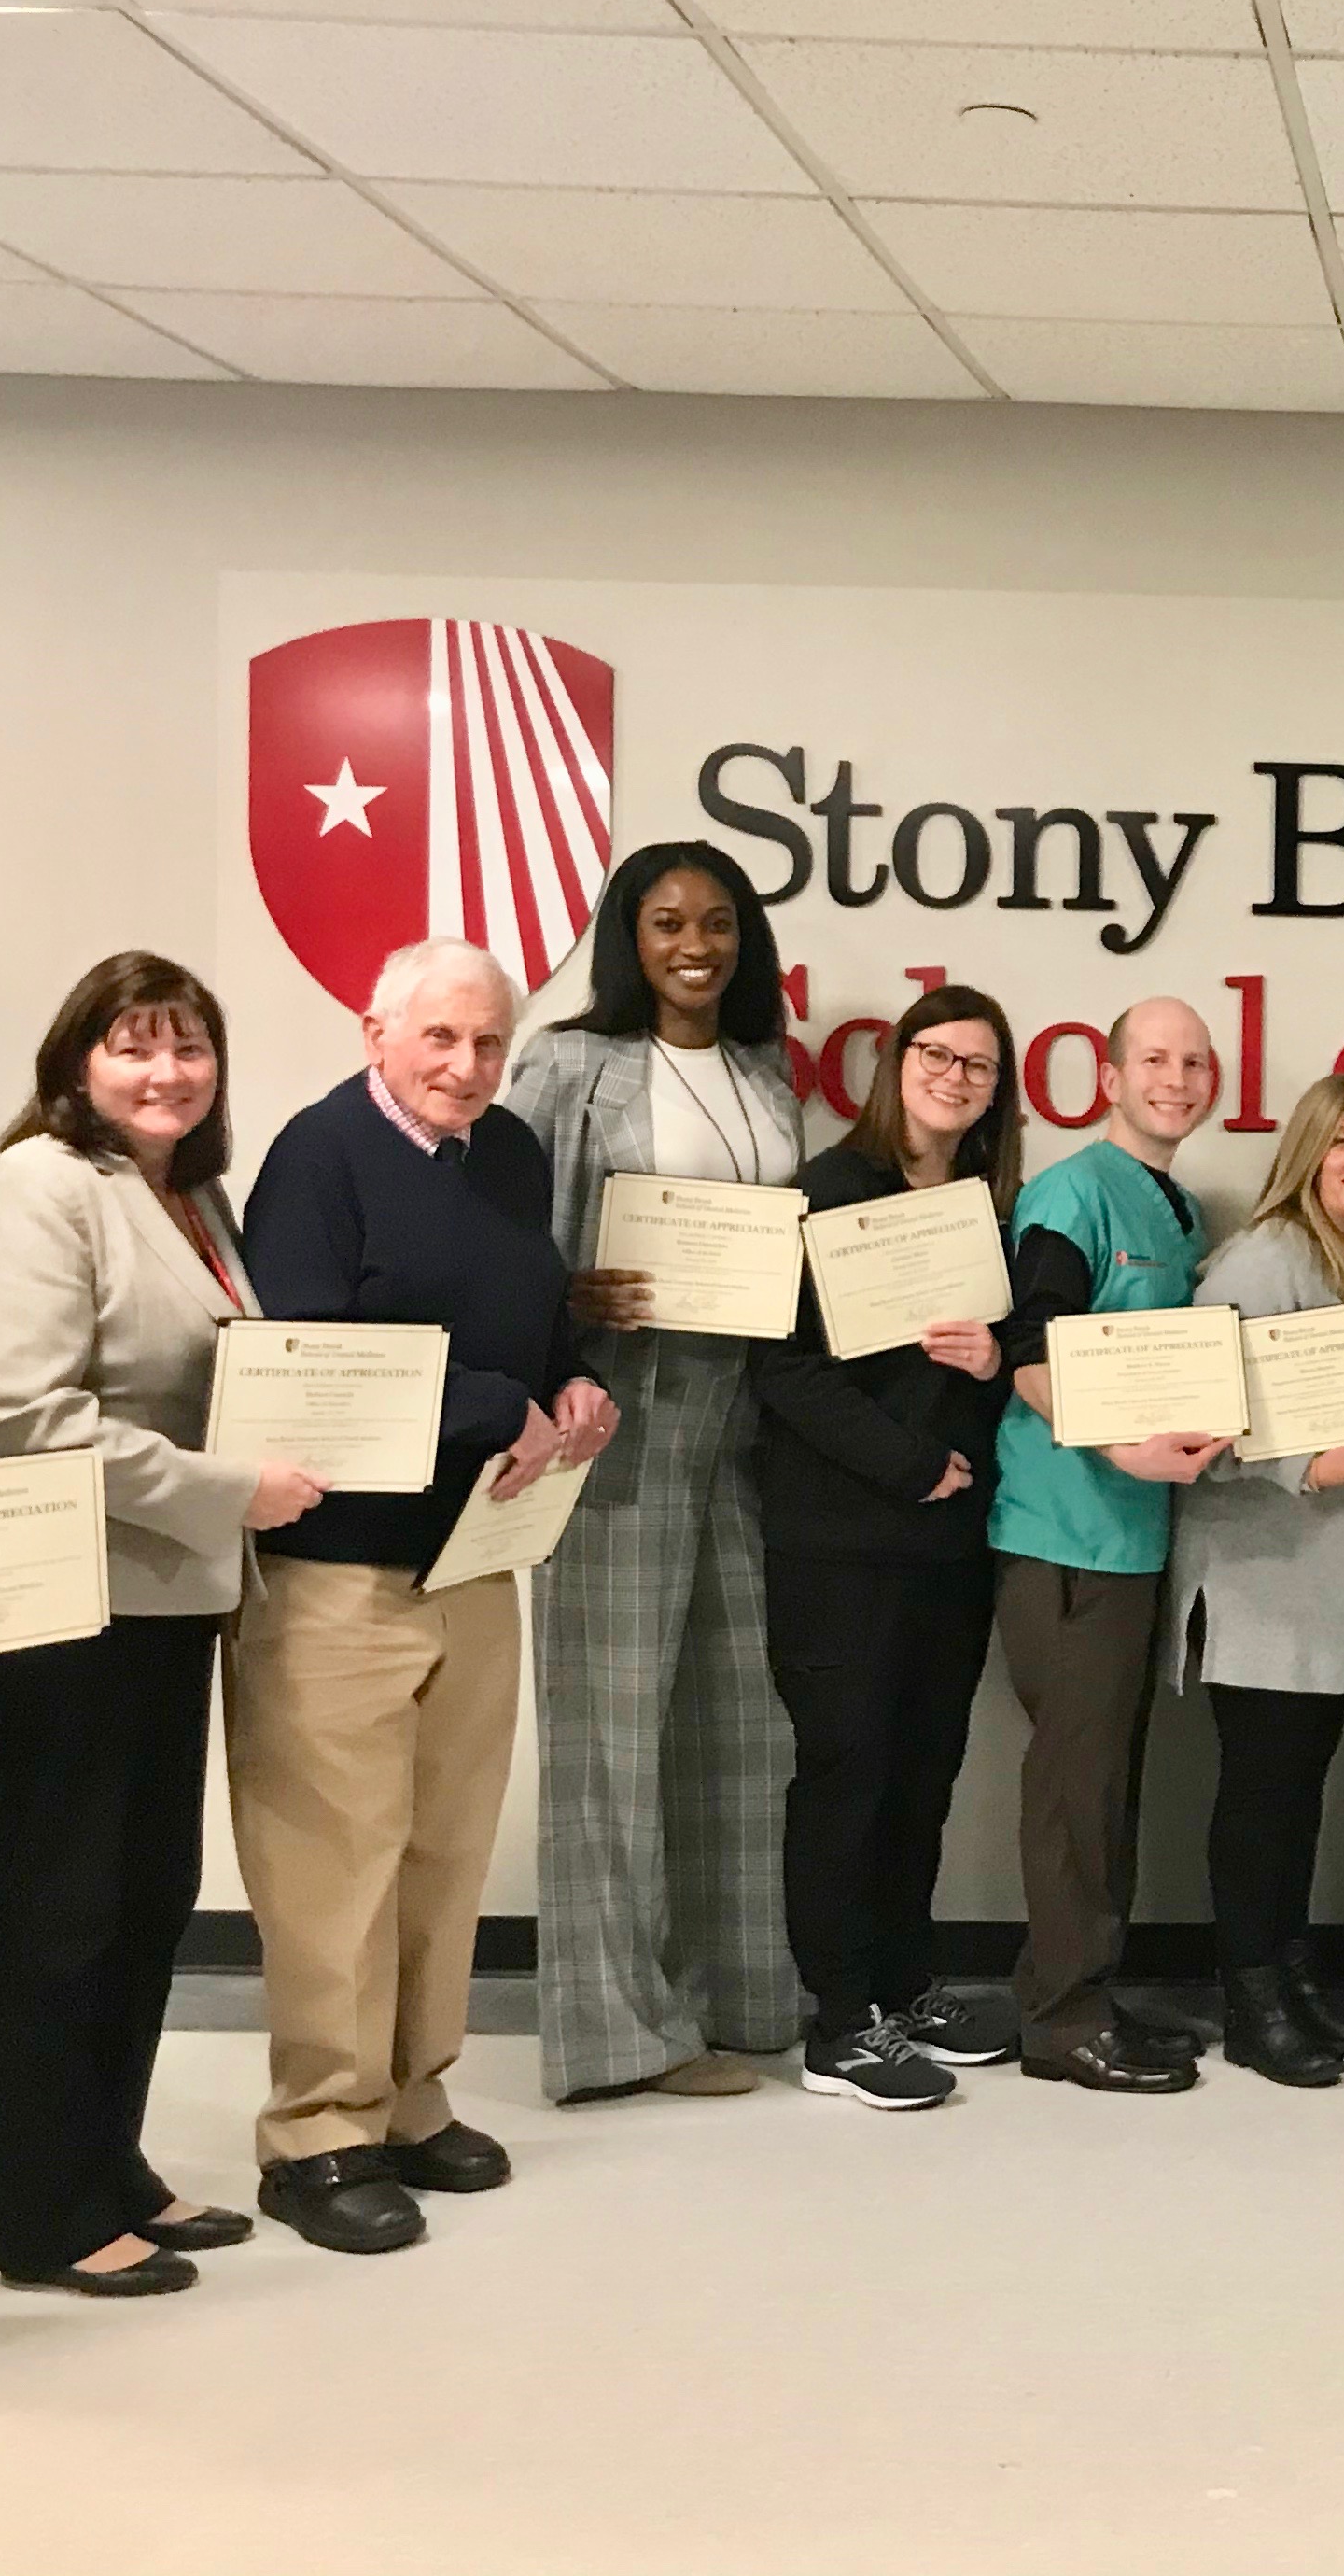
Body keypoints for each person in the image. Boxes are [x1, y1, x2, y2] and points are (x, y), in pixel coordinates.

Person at [235, 937, 618, 2255]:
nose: (465, 1067)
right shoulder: (316, 1157)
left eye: (489, 1044)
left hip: (473, 1554)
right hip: (337, 1570)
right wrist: (498, 1404)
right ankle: (316, 2135)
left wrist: (569, 1384)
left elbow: (530, 1318)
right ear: (373, 1031)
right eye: (438, 1039)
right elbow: (305, 1369)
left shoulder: (507, 1154)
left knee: (444, 1852)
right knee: (332, 1862)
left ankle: (411, 2098)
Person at [0, 955, 325, 2295]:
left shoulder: (185, 1193)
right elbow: (35, 1419)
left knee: (145, 1898)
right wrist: (238, 1490)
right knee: (61, 1905)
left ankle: (109, 2162)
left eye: (188, 1049)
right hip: (72, 1606)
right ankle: (46, 2213)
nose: (165, 1073)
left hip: (171, 1599)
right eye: (133, 1048)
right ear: (75, 1064)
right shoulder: (38, 1188)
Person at [503, 846, 805, 2105]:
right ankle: (619, 2030)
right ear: (628, 934)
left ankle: (737, 1996)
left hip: (738, 1417)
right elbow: (498, 1234)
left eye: (720, 922)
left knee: (743, 1724)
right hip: (616, 1410)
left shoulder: (762, 1073)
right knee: (611, 1737)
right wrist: (561, 1296)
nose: (697, 944)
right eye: (669, 921)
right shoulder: (568, 1065)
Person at [749, 983, 1023, 2113]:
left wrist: (994, 1359)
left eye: (980, 1067)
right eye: (939, 1056)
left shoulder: (979, 1205)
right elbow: (786, 1371)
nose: (957, 1079)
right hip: (842, 1541)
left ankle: (906, 1985)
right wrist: (905, 1464)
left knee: (925, 1771)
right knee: (848, 1773)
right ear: (897, 1062)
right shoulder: (826, 1191)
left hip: (949, 1547)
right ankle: (839, 2019)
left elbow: (1003, 1357)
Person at [991, 995, 1228, 2096]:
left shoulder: (1178, 1211)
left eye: (1195, 1060)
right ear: (1110, 1076)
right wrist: (1125, 1451)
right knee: (1072, 1787)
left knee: (1106, 1782)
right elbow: (1027, 1348)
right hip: (1067, 1537)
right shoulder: (1070, 1192)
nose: (1176, 1078)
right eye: (1155, 1059)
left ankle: (1090, 1986)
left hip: (1133, 1543)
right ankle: (1058, 2019)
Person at [1160, 1072, 1344, 2090]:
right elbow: (1197, 1420)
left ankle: (1287, 1972)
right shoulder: (1262, 1263)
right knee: (1262, 1796)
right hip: (1259, 1574)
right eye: (1342, 1142)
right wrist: (1300, 1466)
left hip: (1327, 1576)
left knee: (1298, 1790)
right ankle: (1250, 1999)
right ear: (1306, 1154)